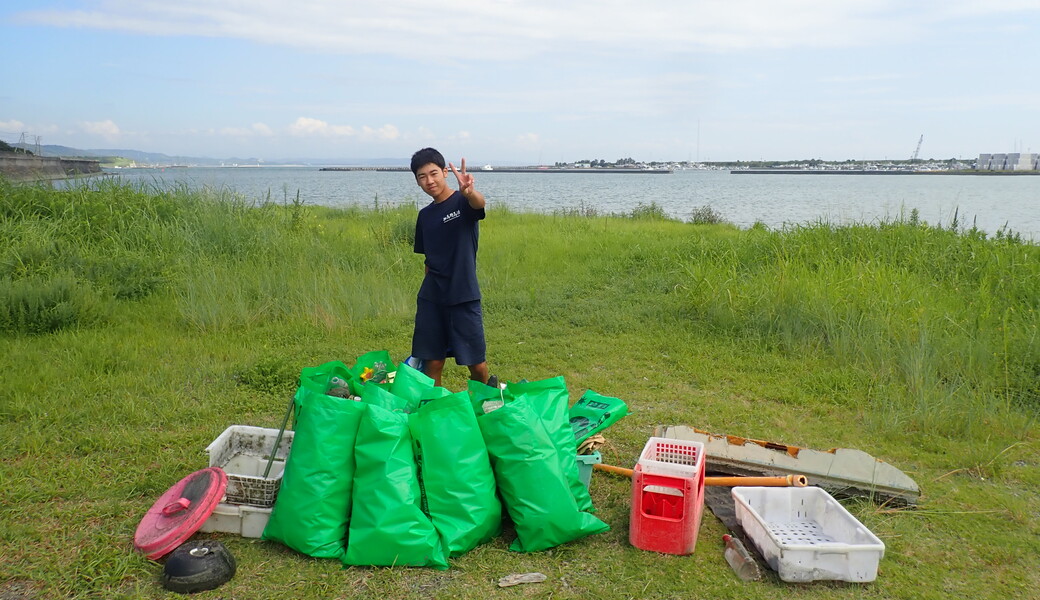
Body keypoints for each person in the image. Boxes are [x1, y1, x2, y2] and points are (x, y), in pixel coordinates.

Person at [409, 147, 493, 387]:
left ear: (445, 172)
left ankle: (483, 403)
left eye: (433, 173)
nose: (429, 181)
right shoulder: (425, 216)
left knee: (476, 363)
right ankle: (435, 411)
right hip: (432, 298)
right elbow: (428, 258)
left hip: (463, 294)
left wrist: (470, 192)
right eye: (422, 177)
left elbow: (479, 204)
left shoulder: (462, 202)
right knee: (432, 362)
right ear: (417, 182)